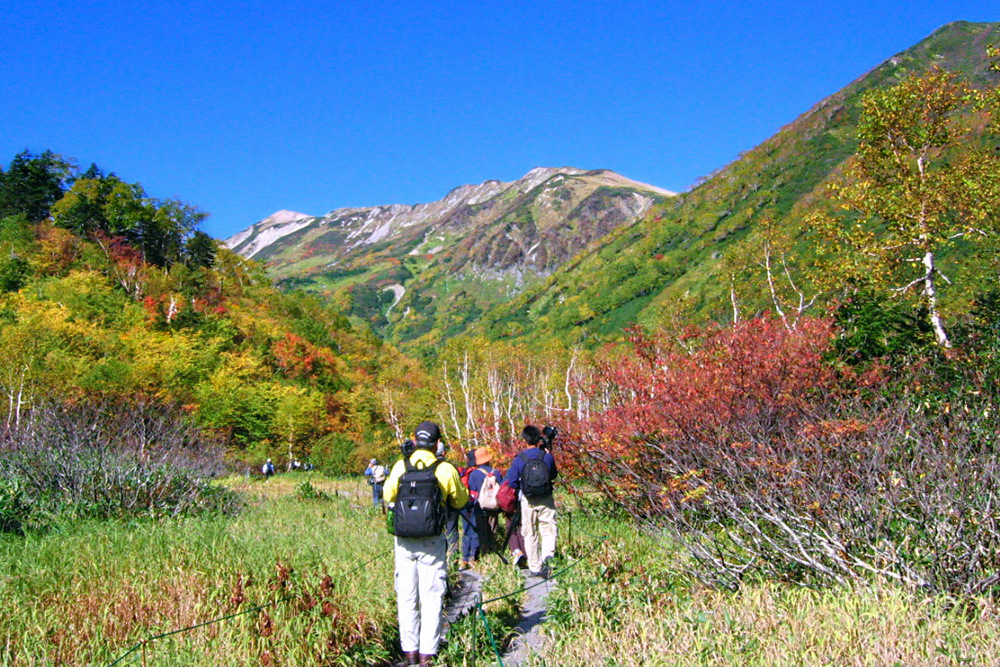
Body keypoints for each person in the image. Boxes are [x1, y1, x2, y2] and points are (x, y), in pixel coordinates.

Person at [384, 421, 469, 666]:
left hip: (404, 540)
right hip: (432, 539)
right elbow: (460, 501)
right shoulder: (445, 468)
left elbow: (389, 495)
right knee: (432, 595)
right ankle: (428, 654)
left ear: (414, 440)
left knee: (407, 595)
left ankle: (409, 651)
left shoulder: (401, 465)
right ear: (437, 443)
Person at [503, 425, 558, 578]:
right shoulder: (546, 456)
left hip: (528, 499)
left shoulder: (520, 459)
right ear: (538, 438)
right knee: (548, 530)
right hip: (546, 497)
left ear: (525, 440)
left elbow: (512, 481)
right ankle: (548, 561)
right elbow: (553, 475)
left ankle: (534, 566)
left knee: (529, 532)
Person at [460, 447, 503, 568]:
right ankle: (493, 553)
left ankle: (483, 555)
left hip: (479, 507)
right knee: (492, 531)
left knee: (482, 532)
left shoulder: (474, 474)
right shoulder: (496, 472)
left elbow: (473, 494)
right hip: (494, 507)